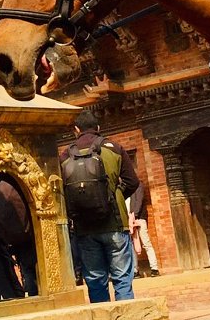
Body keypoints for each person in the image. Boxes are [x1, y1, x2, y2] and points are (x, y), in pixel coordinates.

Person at [61, 110, 139, 303]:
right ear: (98, 128)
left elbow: (61, 191)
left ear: (76, 130)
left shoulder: (65, 156)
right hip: (115, 222)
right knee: (122, 279)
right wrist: (116, 196)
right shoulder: (114, 148)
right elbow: (132, 182)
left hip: (84, 227)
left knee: (95, 280)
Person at [125, 184, 160, 277]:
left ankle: (154, 268)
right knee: (132, 245)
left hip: (139, 218)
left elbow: (138, 202)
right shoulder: (126, 188)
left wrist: (134, 216)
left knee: (146, 243)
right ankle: (135, 270)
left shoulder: (138, 186)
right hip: (130, 219)